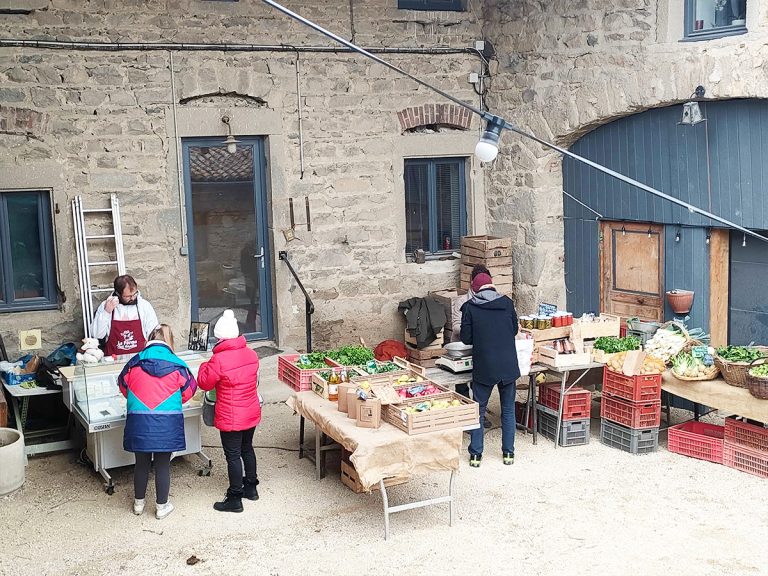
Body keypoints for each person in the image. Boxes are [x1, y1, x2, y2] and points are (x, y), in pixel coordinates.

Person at [117, 324, 197, 519]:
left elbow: (123, 385)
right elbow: (189, 391)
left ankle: (138, 504)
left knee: (141, 463)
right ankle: (162, 506)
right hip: (166, 424)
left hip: (139, 422)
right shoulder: (178, 365)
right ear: (169, 342)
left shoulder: (133, 363)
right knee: (162, 464)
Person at [197, 309, 261, 513]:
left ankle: (235, 497)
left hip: (231, 415)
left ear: (219, 337)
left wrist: (203, 366)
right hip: (250, 410)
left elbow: (205, 383)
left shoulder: (218, 360)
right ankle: (251, 488)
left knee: (232, 455)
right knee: (247, 448)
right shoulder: (251, 354)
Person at [460, 272, 521, 468]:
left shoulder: (470, 307)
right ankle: (508, 453)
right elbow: (514, 330)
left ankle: (476, 455)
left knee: (478, 410)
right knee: (508, 410)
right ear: (491, 286)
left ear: (475, 289)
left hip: (484, 366)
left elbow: (466, 339)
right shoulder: (507, 303)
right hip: (508, 365)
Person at [91, 275, 159, 357]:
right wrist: (106, 312)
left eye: (134, 294)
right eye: (128, 296)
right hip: (113, 362)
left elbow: (154, 335)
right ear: (118, 294)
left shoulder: (144, 306)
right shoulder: (106, 306)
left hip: (140, 362)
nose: (133, 298)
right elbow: (97, 334)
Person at [451, 264, 490, 401]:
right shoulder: (461, 302)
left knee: (478, 385)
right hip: (461, 349)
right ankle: (463, 411)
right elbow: (456, 326)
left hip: (479, 350)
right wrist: (472, 330)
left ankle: (479, 413)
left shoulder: (489, 300)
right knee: (461, 387)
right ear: (472, 283)